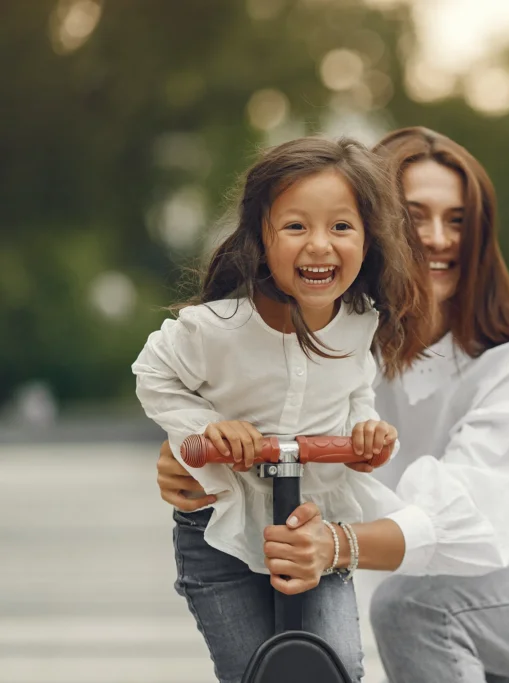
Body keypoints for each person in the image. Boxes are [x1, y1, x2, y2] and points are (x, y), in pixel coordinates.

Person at [157, 126, 509, 683]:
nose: (439, 238)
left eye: (458, 220)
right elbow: (257, 414)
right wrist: (194, 450)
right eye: (415, 216)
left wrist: (337, 545)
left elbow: (471, 521)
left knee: (411, 611)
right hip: (461, 586)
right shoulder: (342, 345)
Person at [134, 135, 432, 683]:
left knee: (335, 666)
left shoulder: (360, 321)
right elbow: (154, 372)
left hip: (312, 524)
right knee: (255, 672)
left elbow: (354, 390)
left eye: (341, 227)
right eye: (296, 227)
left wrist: (362, 433)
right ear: (261, 239)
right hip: (218, 528)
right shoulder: (218, 328)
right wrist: (203, 430)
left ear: (368, 240)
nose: (319, 245)